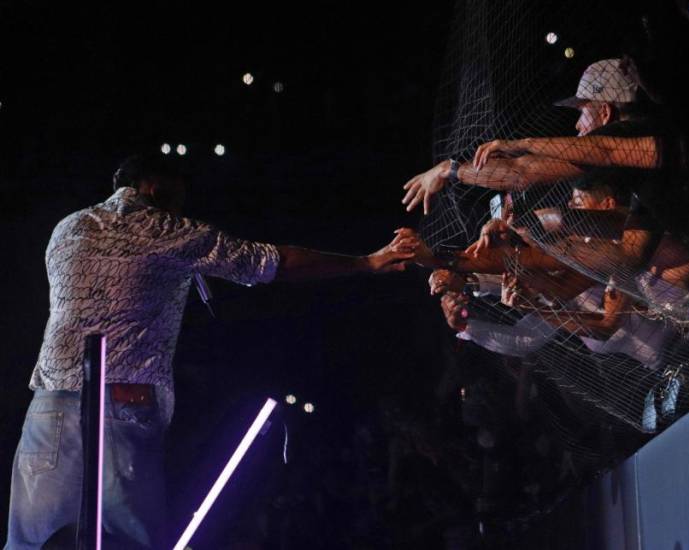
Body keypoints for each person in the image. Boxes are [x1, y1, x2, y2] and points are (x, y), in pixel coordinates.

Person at [6, 154, 417, 549]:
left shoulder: (68, 228)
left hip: (51, 400)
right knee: (128, 542)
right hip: (123, 399)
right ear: (155, 188)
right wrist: (366, 263)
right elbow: (269, 263)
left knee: (31, 541)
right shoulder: (166, 230)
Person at [401, 58, 642, 215]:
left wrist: (449, 169)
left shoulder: (621, 145)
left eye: (582, 111)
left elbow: (520, 172)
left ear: (605, 111)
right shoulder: (635, 138)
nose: (578, 125)